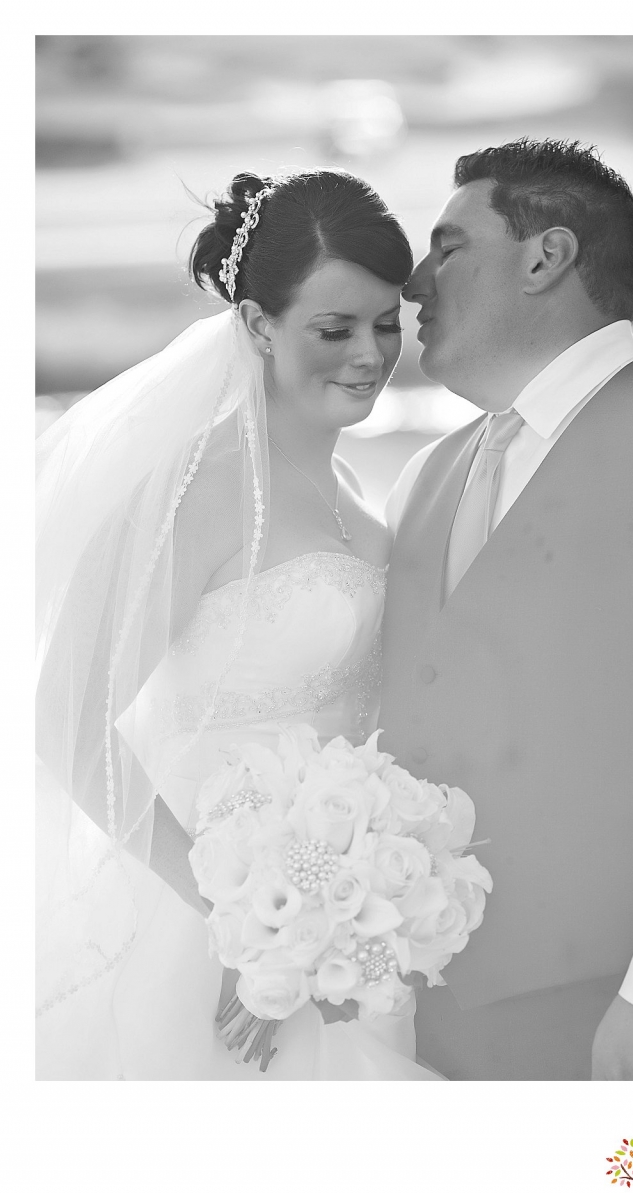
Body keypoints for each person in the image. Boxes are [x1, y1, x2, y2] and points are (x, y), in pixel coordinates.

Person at [35, 168, 439, 1080]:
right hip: (215, 928)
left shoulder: (347, 488)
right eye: (333, 330)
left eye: (387, 323)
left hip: (348, 925)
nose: (371, 355)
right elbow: (63, 716)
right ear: (258, 324)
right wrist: (241, 921)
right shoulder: (201, 491)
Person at [380, 138, 633, 1081]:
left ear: (548, 256)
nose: (413, 283)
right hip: (432, 1038)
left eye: (448, 247)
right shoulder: (422, 477)